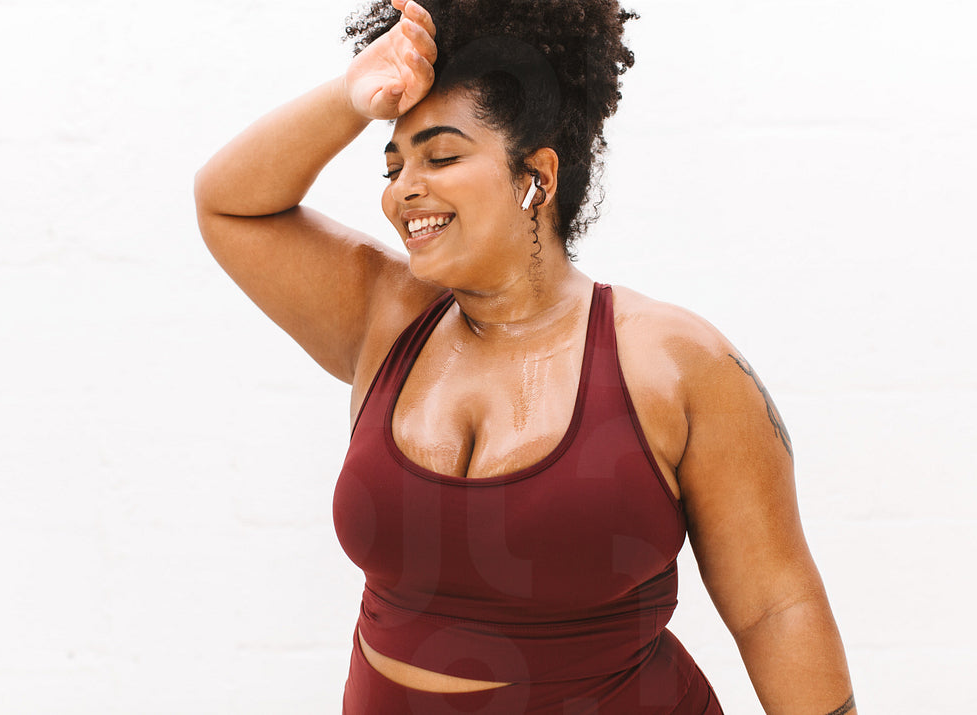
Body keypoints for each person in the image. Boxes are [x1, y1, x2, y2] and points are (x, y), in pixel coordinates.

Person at [194, 0, 856, 712]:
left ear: (535, 177)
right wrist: (350, 97)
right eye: (393, 166)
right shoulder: (385, 319)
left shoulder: (674, 362)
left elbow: (775, 606)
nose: (403, 190)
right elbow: (228, 204)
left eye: (441, 157)